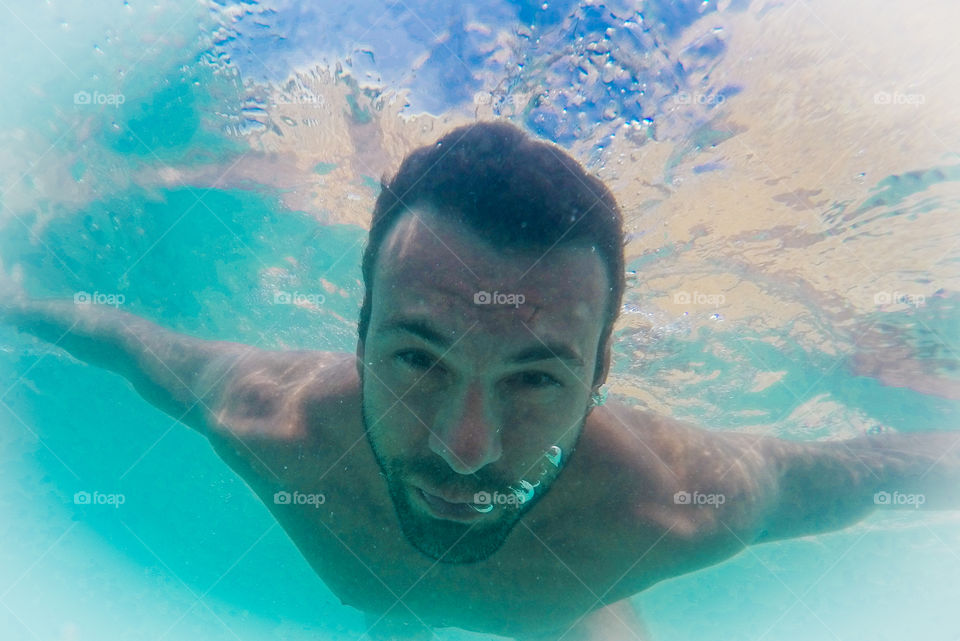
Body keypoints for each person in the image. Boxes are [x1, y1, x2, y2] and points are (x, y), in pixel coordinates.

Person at [1, 121, 957, 641]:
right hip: (389, 599)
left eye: (536, 377)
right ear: (360, 333)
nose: (467, 446)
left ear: (601, 377)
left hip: (568, 606)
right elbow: (117, 334)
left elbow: (870, 466)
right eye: (419, 356)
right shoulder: (262, 415)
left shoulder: (682, 504)